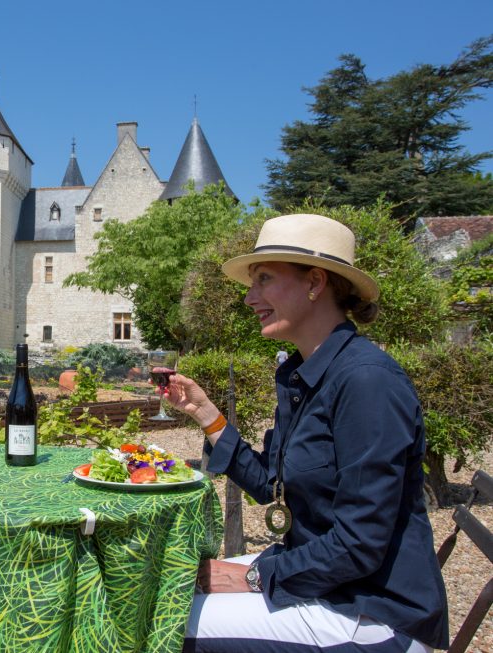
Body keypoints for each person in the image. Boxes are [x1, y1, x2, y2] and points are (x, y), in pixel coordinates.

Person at [169, 214, 448, 652]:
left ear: (315, 282)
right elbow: (270, 485)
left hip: (366, 611)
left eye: (263, 279)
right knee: (165, 591)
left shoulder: (366, 382)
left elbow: (359, 544)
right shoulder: (307, 375)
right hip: (325, 583)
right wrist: (207, 415)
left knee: (162, 627)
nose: (249, 298)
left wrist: (254, 574)